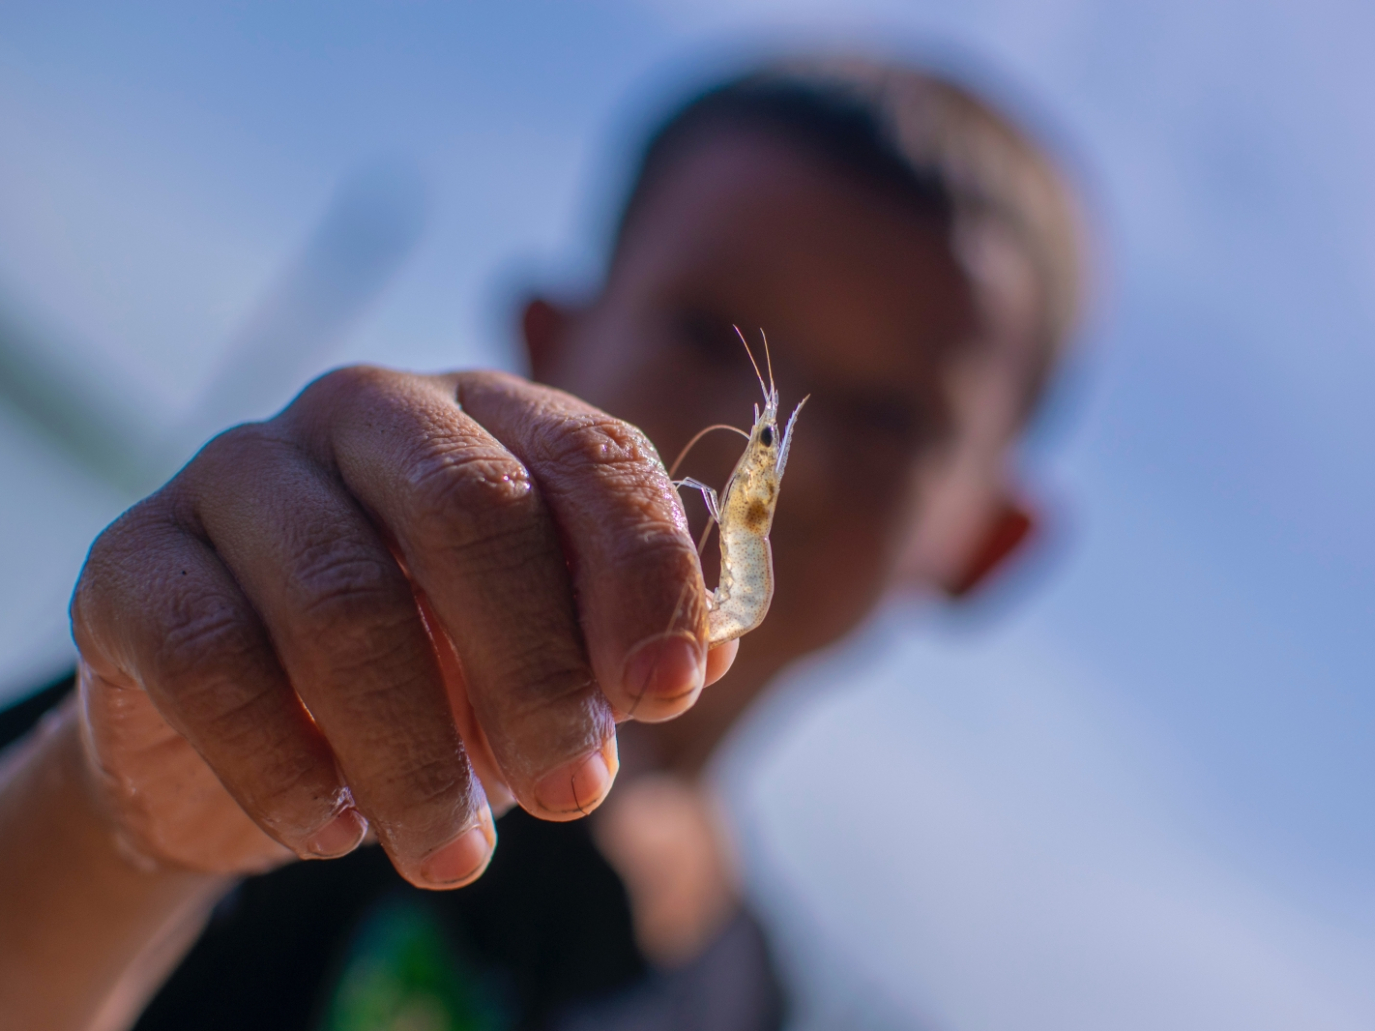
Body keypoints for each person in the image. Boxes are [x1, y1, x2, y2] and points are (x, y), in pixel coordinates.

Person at [0, 55, 1083, 1031]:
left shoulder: (760, 1006)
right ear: (547, 342)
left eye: (892, 419)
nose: (801, 466)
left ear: (987, 548)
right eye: (699, 329)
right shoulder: (295, 675)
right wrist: (114, 833)